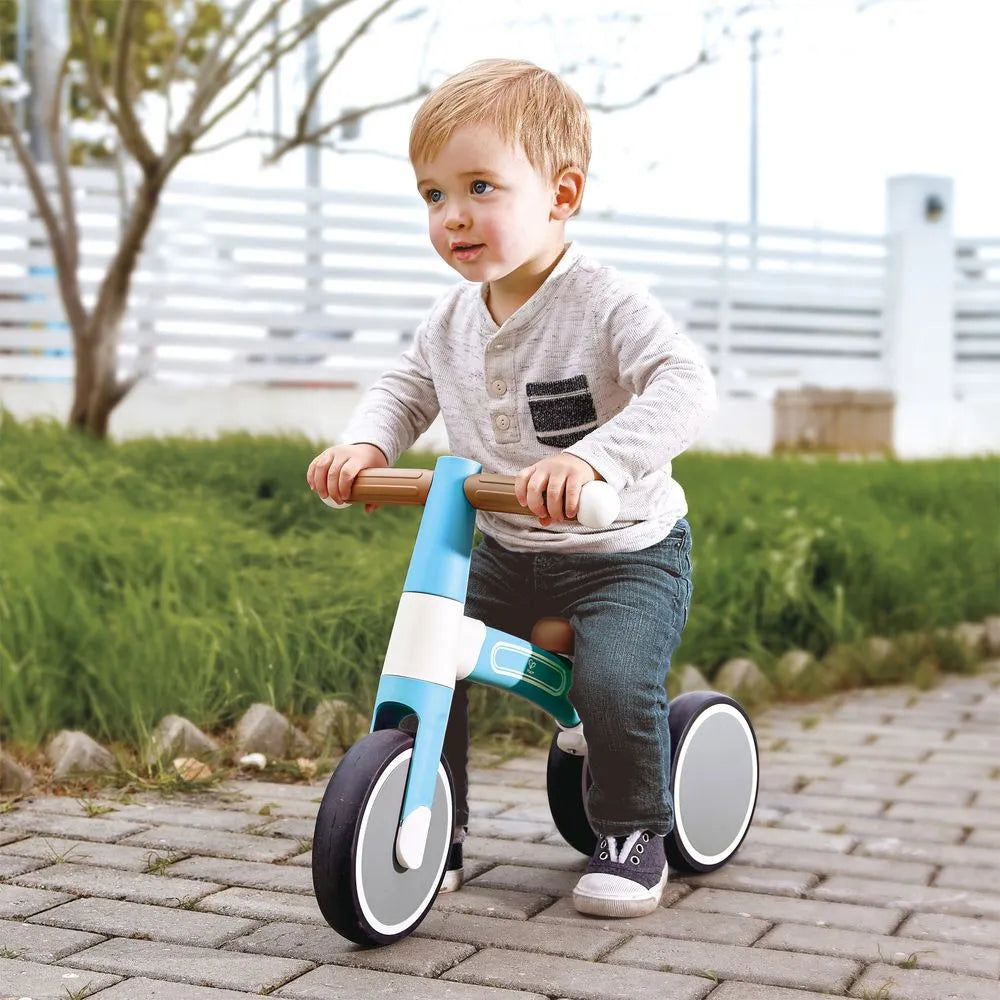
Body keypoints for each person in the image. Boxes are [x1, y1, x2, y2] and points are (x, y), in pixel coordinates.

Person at [306, 58, 716, 919]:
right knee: (430, 652)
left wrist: (596, 461)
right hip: (507, 546)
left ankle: (636, 829)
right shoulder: (450, 318)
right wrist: (364, 443)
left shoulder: (605, 304)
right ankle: (432, 819)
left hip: (621, 553)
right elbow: (405, 388)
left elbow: (685, 383)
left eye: (480, 186)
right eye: (432, 195)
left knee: (610, 684)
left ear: (561, 194)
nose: (453, 215)